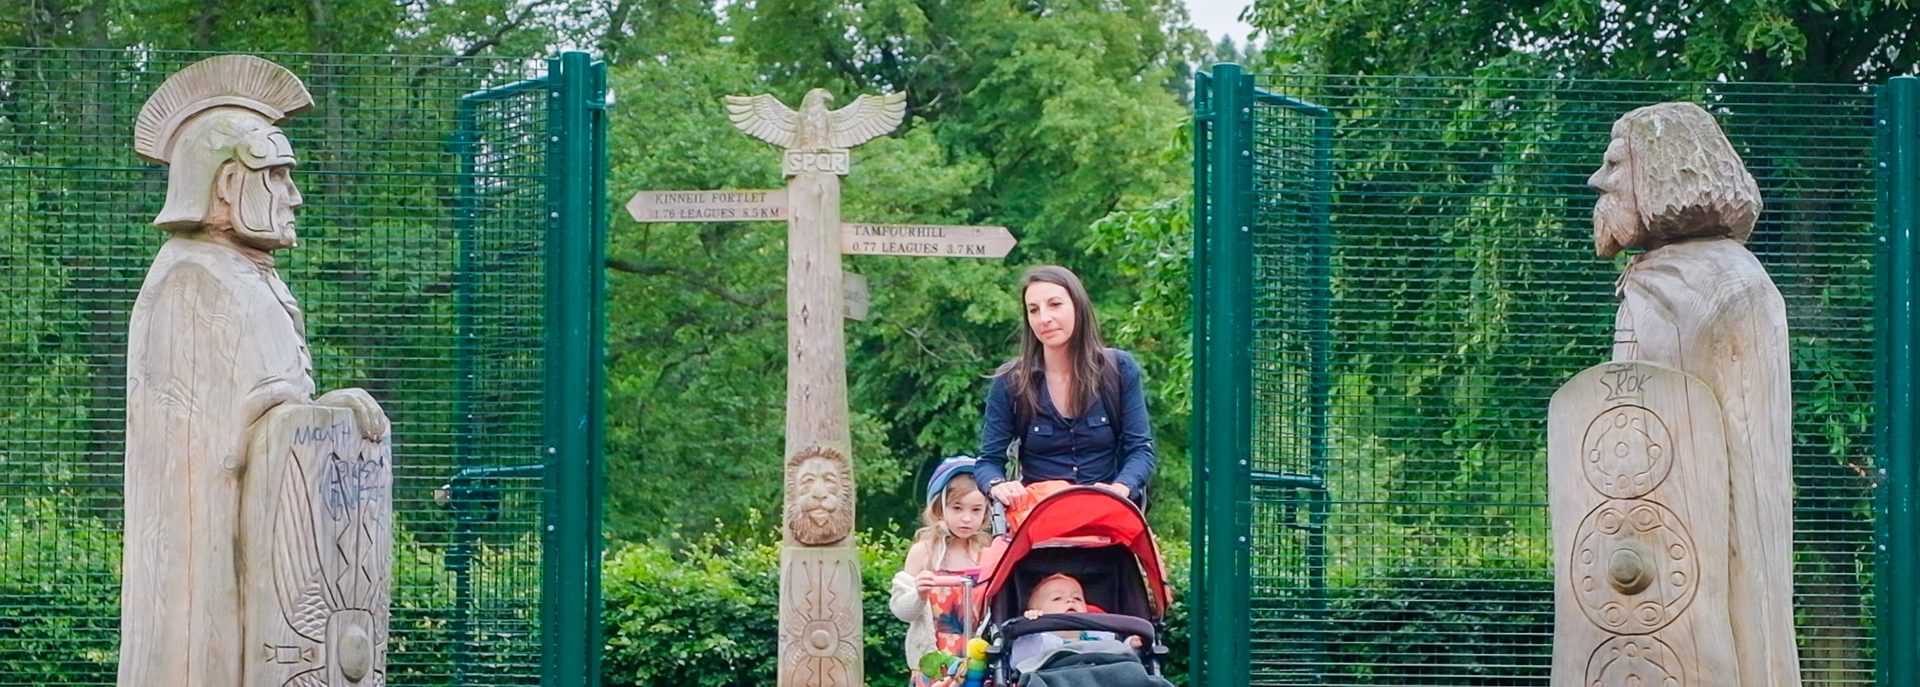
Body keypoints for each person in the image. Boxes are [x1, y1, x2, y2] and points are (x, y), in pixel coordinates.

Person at [977, 265, 1156, 511]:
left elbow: (1141, 450)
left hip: (1108, 521)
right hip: (1040, 524)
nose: (1044, 318)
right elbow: (988, 461)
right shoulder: (1011, 380)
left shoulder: (1119, 369)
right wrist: (997, 485)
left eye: (1055, 304)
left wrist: (1120, 489)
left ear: (1078, 306)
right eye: (1033, 310)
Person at [890, 456, 991, 687]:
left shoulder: (987, 554)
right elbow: (901, 610)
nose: (967, 518)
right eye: (957, 508)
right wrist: (919, 594)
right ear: (939, 507)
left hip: (977, 662)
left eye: (976, 510)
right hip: (932, 663)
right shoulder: (923, 553)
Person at [1007, 573, 1142, 669]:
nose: (1070, 600)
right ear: (1039, 612)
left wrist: (1131, 646)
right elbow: (1019, 660)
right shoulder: (1039, 641)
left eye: (1077, 598)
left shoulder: (1100, 635)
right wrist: (1032, 625)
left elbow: (1118, 654)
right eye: (1057, 598)